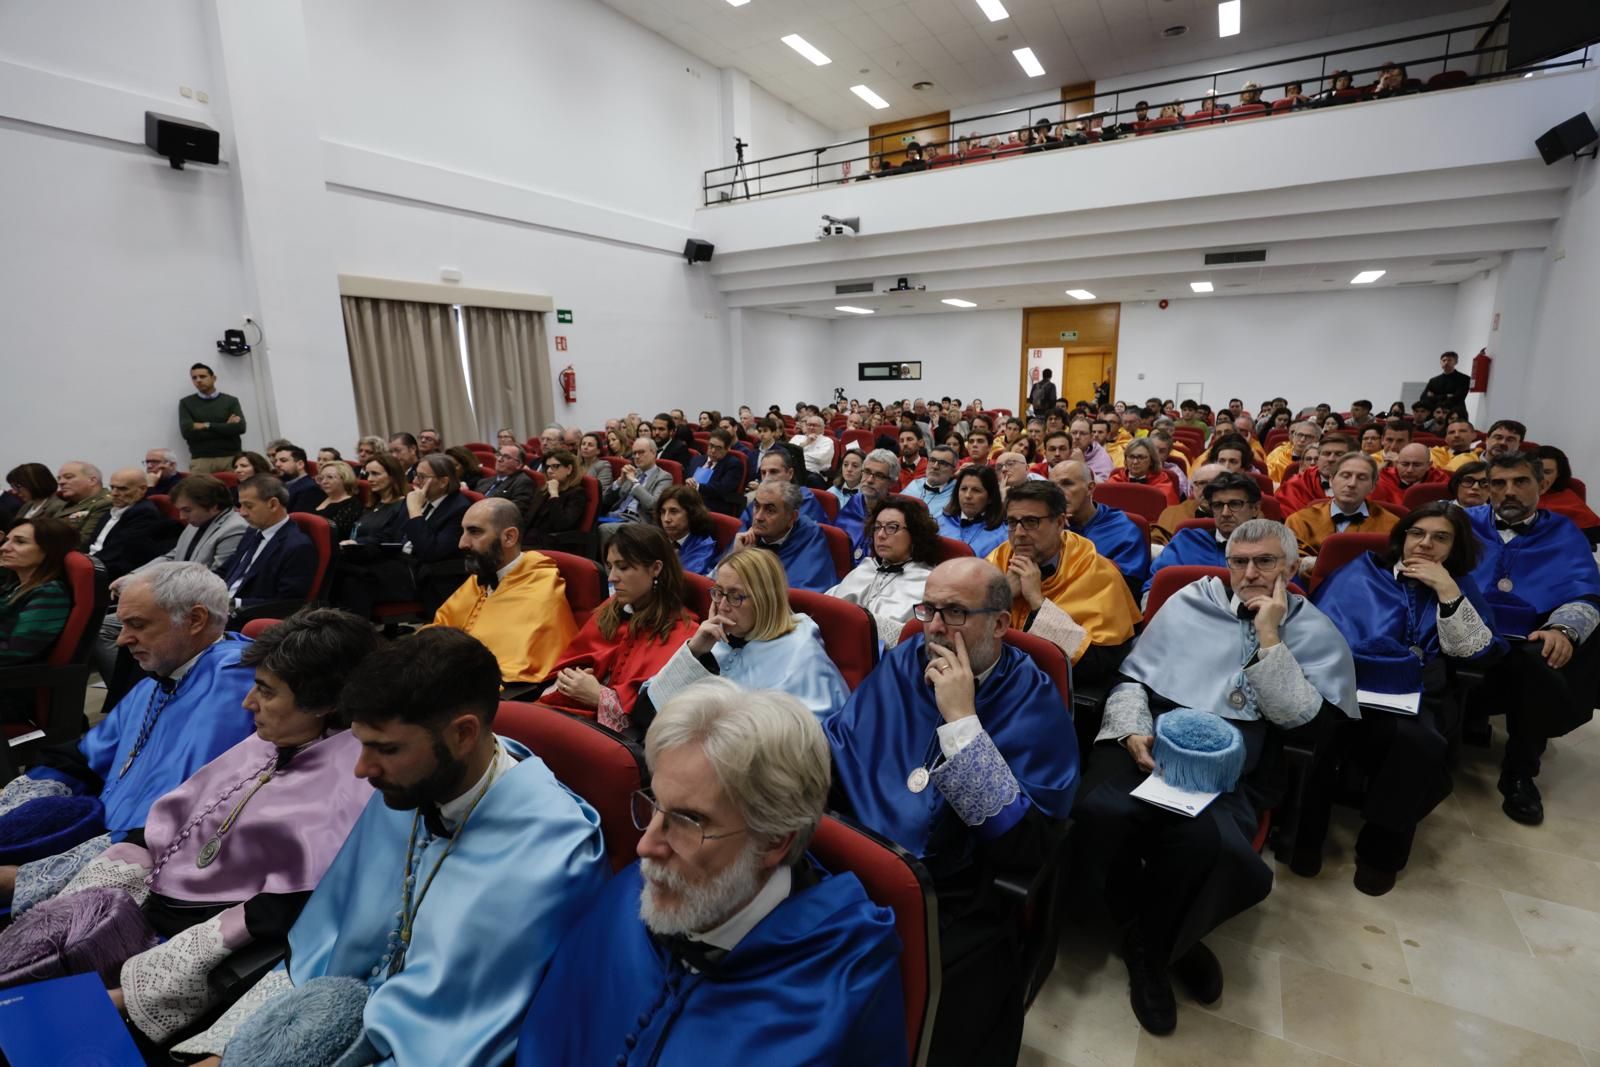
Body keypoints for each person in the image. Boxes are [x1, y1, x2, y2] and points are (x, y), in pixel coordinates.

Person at [172, 627, 609, 1066]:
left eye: (386, 748)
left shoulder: (552, 854)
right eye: (362, 744)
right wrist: (232, 1051)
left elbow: (460, 1037)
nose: (362, 769)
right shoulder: (410, 786)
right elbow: (320, 954)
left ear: (463, 734)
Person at [0, 610, 381, 1046]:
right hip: (148, 900)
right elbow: (172, 824)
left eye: (266, 691)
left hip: (213, 942)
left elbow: (288, 910)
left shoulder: (355, 780)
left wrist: (127, 992)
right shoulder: (271, 739)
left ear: (325, 704)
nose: (247, 704)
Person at [517, 677, 904, 1066]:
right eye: (655, 804)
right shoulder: (630, 897)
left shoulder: (845, 985)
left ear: (773, 842)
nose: (645, 847)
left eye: (687, 821)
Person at [1078, 518, 1356, 1035]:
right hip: (1150, 742)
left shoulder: (1312, 627)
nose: (1249, 573)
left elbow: (1308, 727)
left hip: (1234, 763)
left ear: (1293, 567)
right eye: (1238, 562)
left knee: (1210, 846)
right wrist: (1132, 730)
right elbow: (1132, 677)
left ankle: (1153, 954)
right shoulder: (1191, 602)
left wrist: (1270, 636)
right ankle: (1153, 932)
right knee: (1099, 811)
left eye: (1265, 562)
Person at [826, 557, 1077, 1066]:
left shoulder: (1033, 697)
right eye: (929, 609)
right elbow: (841, 747)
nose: (933, 627)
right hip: (856, 860)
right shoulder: (903, 662)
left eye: (955, 613)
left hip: (955, 892)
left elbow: (1023, 847)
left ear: (1001, 624)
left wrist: (962, 721)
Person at [0, 563, 256, 913]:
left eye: (137, 624)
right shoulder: (164, 674)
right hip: (101, 828)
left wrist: (26, 878)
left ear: (195, 620)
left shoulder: (233, 685)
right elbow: (82, 760)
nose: (121, 639)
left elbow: (182, 826)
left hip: (151, 865)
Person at [1304, 503, 1503, 895]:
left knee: (1418, 743)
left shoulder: (1459, 585)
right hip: (1346, 686)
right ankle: (1306, 840)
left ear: (1455, 547)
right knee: (1317, 730)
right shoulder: (1362, 573)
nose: (1426, 544)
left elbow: (1473, 652)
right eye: (1418, 534)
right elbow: (1317, 632)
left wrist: (1447, 591)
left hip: (1417, 696)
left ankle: (1381, 853)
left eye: (1440, 537)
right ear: (1403, 537)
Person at [1464, 452, 1600, 825]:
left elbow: (1584, 591)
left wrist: (1563, 630)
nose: (1509, 491)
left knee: (1540, 662)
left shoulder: (1563, 532)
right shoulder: (1461, 523)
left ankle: (1520, 772)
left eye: (1520, 482)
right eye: (1498, 483)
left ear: (1541, 485)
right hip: (1459, 627)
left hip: (1529, 637)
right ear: (1487, 488)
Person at [641, 548, 847, 724]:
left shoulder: (801, 652)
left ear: (764, 600)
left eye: (735, 596)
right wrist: (695, 652)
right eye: (718, 592)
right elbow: (646, 711)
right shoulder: (717, 639)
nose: (721, 606)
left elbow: (808, 741)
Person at [540, 524, 698, 729]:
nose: (612, 577)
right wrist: (570, 681)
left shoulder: (683, 633)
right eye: (610, 566)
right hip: (569, 714)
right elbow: (572, 662)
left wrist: (599, 697)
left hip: (610, 740)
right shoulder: (611, 608)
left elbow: (654, 719)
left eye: (623, 567)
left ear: (656, 568)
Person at [987, 481, 1139, 683]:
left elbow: (1099, 665)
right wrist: (1002, 596)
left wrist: (1038, 603)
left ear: (1059, 523)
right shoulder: (997, 559)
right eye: (1013, 522)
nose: (1019, 533)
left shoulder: (1096, 572)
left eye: (1031, 522)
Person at [430, 498, 578, 689]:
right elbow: (440, 627)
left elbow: (516, 667)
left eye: (475, 532)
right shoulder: (481, 576)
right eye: (463, 531)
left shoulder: (540, 589)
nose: (462, 543)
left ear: (509, 537)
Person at [826, 496, 939, 648]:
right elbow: (825, 606)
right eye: (877, 527)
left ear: (915, 534)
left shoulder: (927, 584)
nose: (880, 535)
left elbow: (914, 642)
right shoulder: (865, 568)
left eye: (892, 527)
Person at [0, 517, 76, 723]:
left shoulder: (49, 593)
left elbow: (17, 651)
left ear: (49, 550)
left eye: (20, 542)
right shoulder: (13, 587)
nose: (5, 548)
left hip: (12, 693)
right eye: (6, 540)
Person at [1144, 472, 1261, 601]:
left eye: (1235, 504)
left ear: (1255, 508)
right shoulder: (1187, 542)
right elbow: (1154, 588)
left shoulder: (1275, 546)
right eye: (1218, 505)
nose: (1225, 513)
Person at [1285, 452, 1398, 575]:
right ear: (1331, 480)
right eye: (1345, 476)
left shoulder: (1392, 525)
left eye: (1362, 478)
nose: (1352, 484)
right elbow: (1289, 563)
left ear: (1372, 486)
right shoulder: (1299, 520)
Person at [222, 475, 318, 618]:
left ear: (273, 504)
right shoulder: (252, 531)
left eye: (248, 506)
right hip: (222, 605)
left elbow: (288, 603)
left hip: (248, 616)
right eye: (240, 505)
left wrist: (234, 603)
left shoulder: (298, 546)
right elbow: (226, 569)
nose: (241, 513)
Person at [1054, 460, 1149, 594]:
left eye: (1067, 484)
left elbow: (1126, 589)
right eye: (1053, 486)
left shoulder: (1122, 529)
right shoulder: (1046, 525)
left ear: (1090, 488)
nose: (1058, 493)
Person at [729, 482, 837, 593]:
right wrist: (737, 557)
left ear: (792, 517)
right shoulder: (747, 533)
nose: (758, 517)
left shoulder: (810, 537)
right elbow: (715, 580)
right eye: (756, 506)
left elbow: (804, 599)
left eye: (770, 510)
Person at [88, 467, 180, 582]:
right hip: (92, 562)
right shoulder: (114, 510)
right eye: (112, 487)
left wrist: (86, 564)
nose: (114, 493)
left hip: (110, 571)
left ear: (142, 489)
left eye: (122, 489)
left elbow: (118, 551)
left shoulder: (144, 513)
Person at [179, 363, 248, 474]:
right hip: (201, 460)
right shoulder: (186, 403)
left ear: (213, 378)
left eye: (202, 376)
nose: (198, 380)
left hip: (231, 458)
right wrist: (225, 426)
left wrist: (207, 425)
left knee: (236, 490)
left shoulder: (230, 401)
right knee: (201, 491)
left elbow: (240, 428)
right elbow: (187, 432)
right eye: (194, 378)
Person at [835, 449, 900, 563]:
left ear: (892, 483)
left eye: (879, 476)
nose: (869, 480)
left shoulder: (896, 516)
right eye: (867, 472)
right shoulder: (851, 507)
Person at [740, 446, 827, 526]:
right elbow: (742, 528)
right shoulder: (760, 499)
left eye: (774, 472)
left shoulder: (805, 499)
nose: (767, 478)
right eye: (763, 473)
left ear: (790, 474)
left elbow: (802, 535)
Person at [1533, 445, 1600, 545]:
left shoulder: (1567, 498)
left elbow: (1596, 533)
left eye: (1547, 472)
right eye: (1535, 471)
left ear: (1558, 474)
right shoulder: (1510, 495)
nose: (1540, 478)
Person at [938, 465, 1009, 558]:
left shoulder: (1004, 534)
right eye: (963, 489)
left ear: (990, 497)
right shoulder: (939, 522)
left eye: (976, 490)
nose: (967, 495)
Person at [522, 448, 587, 549]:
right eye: (547, 467)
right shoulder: (544, 489)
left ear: (569, 469)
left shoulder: (577, 494)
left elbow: (562, 525)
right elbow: (528, 518)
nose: (549, 471)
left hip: (550, 543)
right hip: (528, 538)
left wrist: (554, 495)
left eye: (555, 466)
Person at [1275, 432, 1352, 514]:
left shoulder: (1364, 485)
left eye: (1339, 454)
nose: (1331, 459)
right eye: (1326, 454)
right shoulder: (1296, 485)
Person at [1151, 463, 1223, 547]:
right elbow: (1157, 545)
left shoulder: (1240, 514)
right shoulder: (1173, 513)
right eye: (1202, 483)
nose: (1209, 489)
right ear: (1192, 490)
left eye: (1217, 483)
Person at [655, 484, 718, 577]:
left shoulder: (703, 547)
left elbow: (682, 581)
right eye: (663, 512)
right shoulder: (657, 537)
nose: (666, 519)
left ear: (692, 514)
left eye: (674, 511)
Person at [55, 461, 114, 549]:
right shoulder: (67, 502)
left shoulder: (104, 503)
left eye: (68, 477)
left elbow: (84, 542)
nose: (61, 482)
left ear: (92, 481)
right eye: (59, 478)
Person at [1371, 442, 1448, 507]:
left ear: (1429, 465)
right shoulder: (1381, 479)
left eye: (1417, 465)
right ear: (1397, 463)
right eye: (1405, 464)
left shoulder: (1440, 480)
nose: (1409, 470)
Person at [1106, 439, 1180, 506]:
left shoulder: (1163, 483)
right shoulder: (1115, 481)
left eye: (1141, 457)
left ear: (1151, 460)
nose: (1135, 462)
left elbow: (1169, 515)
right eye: (1131, 457)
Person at [477, 444, 538, 523]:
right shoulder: (483, 482)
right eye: (499, 455)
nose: (499, 459)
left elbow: (514, 512)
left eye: (506, 457)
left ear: (519, 465)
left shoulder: (523, 482)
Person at [692, 429, 746, 516]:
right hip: (689, 501)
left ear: (728, 448)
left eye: (718, 448)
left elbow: (722, 488)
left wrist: (697, 486)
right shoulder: (697, 459)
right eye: (711, 445)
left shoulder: (733, 464)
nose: (713, 450)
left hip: (712, 505)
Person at [311, 460, 363, 542]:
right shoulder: (318, 498)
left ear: (345, 479)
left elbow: (337, 534)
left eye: (330, 477)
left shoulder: (351, 505)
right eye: (321, 478)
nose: (324, 482)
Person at [901, 443, 958, 516]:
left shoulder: (956, 492)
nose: (935, 466)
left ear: (953, 471)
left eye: (943, 463)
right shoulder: (914, 484)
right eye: (932, 460)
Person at [788, 414, 835, 483]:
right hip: (794, 470)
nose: (811, 427)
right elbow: (787, 454)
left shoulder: (827, 441)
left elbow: (820, 459)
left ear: (822, 428)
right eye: (809, 425)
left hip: (814, 473)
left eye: (815, 425)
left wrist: (796, 455)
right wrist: (805, 443)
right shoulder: (796, 438)